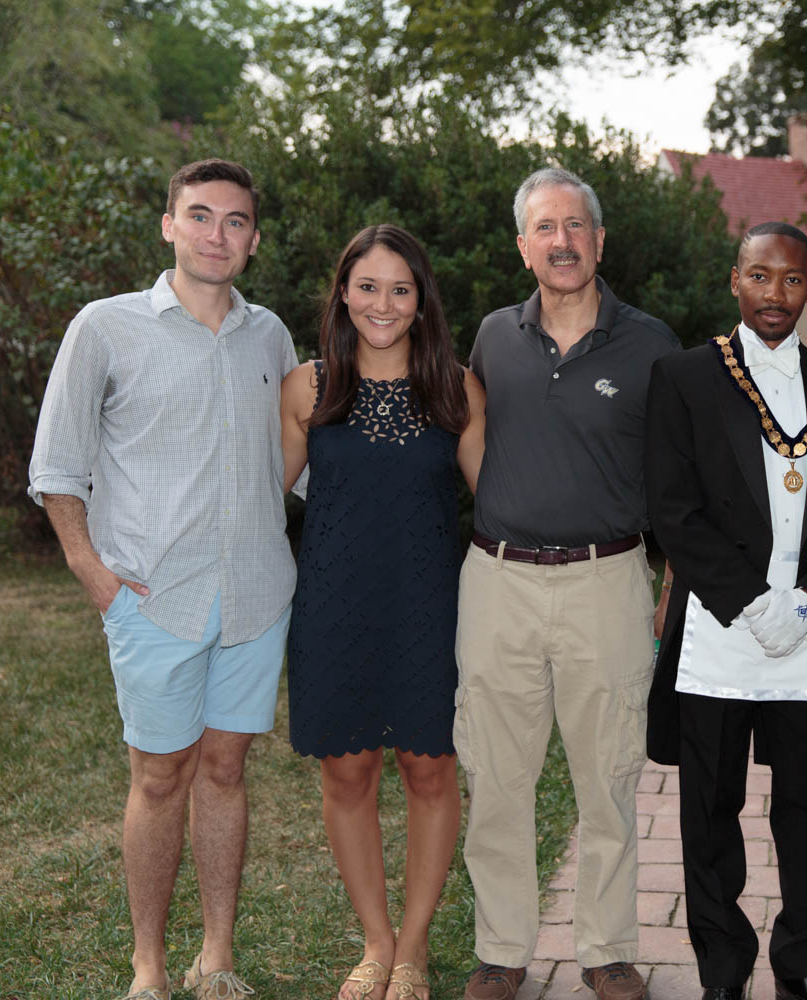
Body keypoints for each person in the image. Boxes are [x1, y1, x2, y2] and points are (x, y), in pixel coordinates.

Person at [27, 159, 296, 1000]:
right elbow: (58, 466)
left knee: (225, 769)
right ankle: (148, 968)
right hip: (151, 597)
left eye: (237, 221)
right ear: (169, 225)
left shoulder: (272, 337)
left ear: (253, 239)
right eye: (201, 215)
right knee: (158, 776)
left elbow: (293, 463)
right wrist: (91, 571)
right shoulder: (104, 328)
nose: (219, 234)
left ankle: (216, 957)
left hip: (256, 595)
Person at [454, 167, 679, 1000]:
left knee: (610, 775)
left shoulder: (651, 343)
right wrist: (508, 512)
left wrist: (672, 577)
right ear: (523, 246)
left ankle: (607, 950)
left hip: (608, 579)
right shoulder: (492, 336)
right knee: (497, 776)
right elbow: (473, 436)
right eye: (545, 228)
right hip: (498, 582)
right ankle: (502, 950)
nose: (562, 242)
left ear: (599, 239)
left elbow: (676, 474)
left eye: (576, 226)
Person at [644, 223, 807, 1000]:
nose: (774, 293)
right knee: (710, 809)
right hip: (721, 628)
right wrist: (751, 601)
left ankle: (804, 962)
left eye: (790, 279)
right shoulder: (682, 378)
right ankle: (723, 966)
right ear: (734, 282)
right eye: (759, 275)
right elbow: (673, 510)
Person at [280, 224, 486, 1000]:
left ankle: (415, 949)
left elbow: (502, 502)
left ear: (422, 299)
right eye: (367, 286)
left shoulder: (454, 389)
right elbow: (260, 494)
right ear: (342, 291)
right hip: (334, 603)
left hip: (430, 604)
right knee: (349, 768)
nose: (383, 303)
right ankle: (375, 941)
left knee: (430, 768)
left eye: (401, 288)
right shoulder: (309, 387)